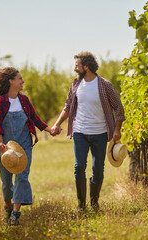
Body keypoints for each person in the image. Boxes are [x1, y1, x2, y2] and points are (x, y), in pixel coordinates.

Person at [51, 52, 125, 212]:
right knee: (79, 166)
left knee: (98, 168)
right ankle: (81, 205)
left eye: (77, 65)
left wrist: (117, 129)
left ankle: (94, 202)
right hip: (80, 132)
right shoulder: (75, 85)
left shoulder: (105, 85)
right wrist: (57, 124)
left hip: (99, 133)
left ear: (86, 66)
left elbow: (118, 107)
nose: (74, 68)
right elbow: (67, 107)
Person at [0, 67, 54, 225]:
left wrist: (49, 129)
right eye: (19, 78)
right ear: (11, 81)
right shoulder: (1, 101)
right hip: (6, 145)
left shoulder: (24, 100)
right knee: (6, 181)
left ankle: (16, 214)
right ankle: (8, 208)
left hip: (23, 143)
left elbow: (35, 118)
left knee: (22, 176)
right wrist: (0, 141)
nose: (22, 81)